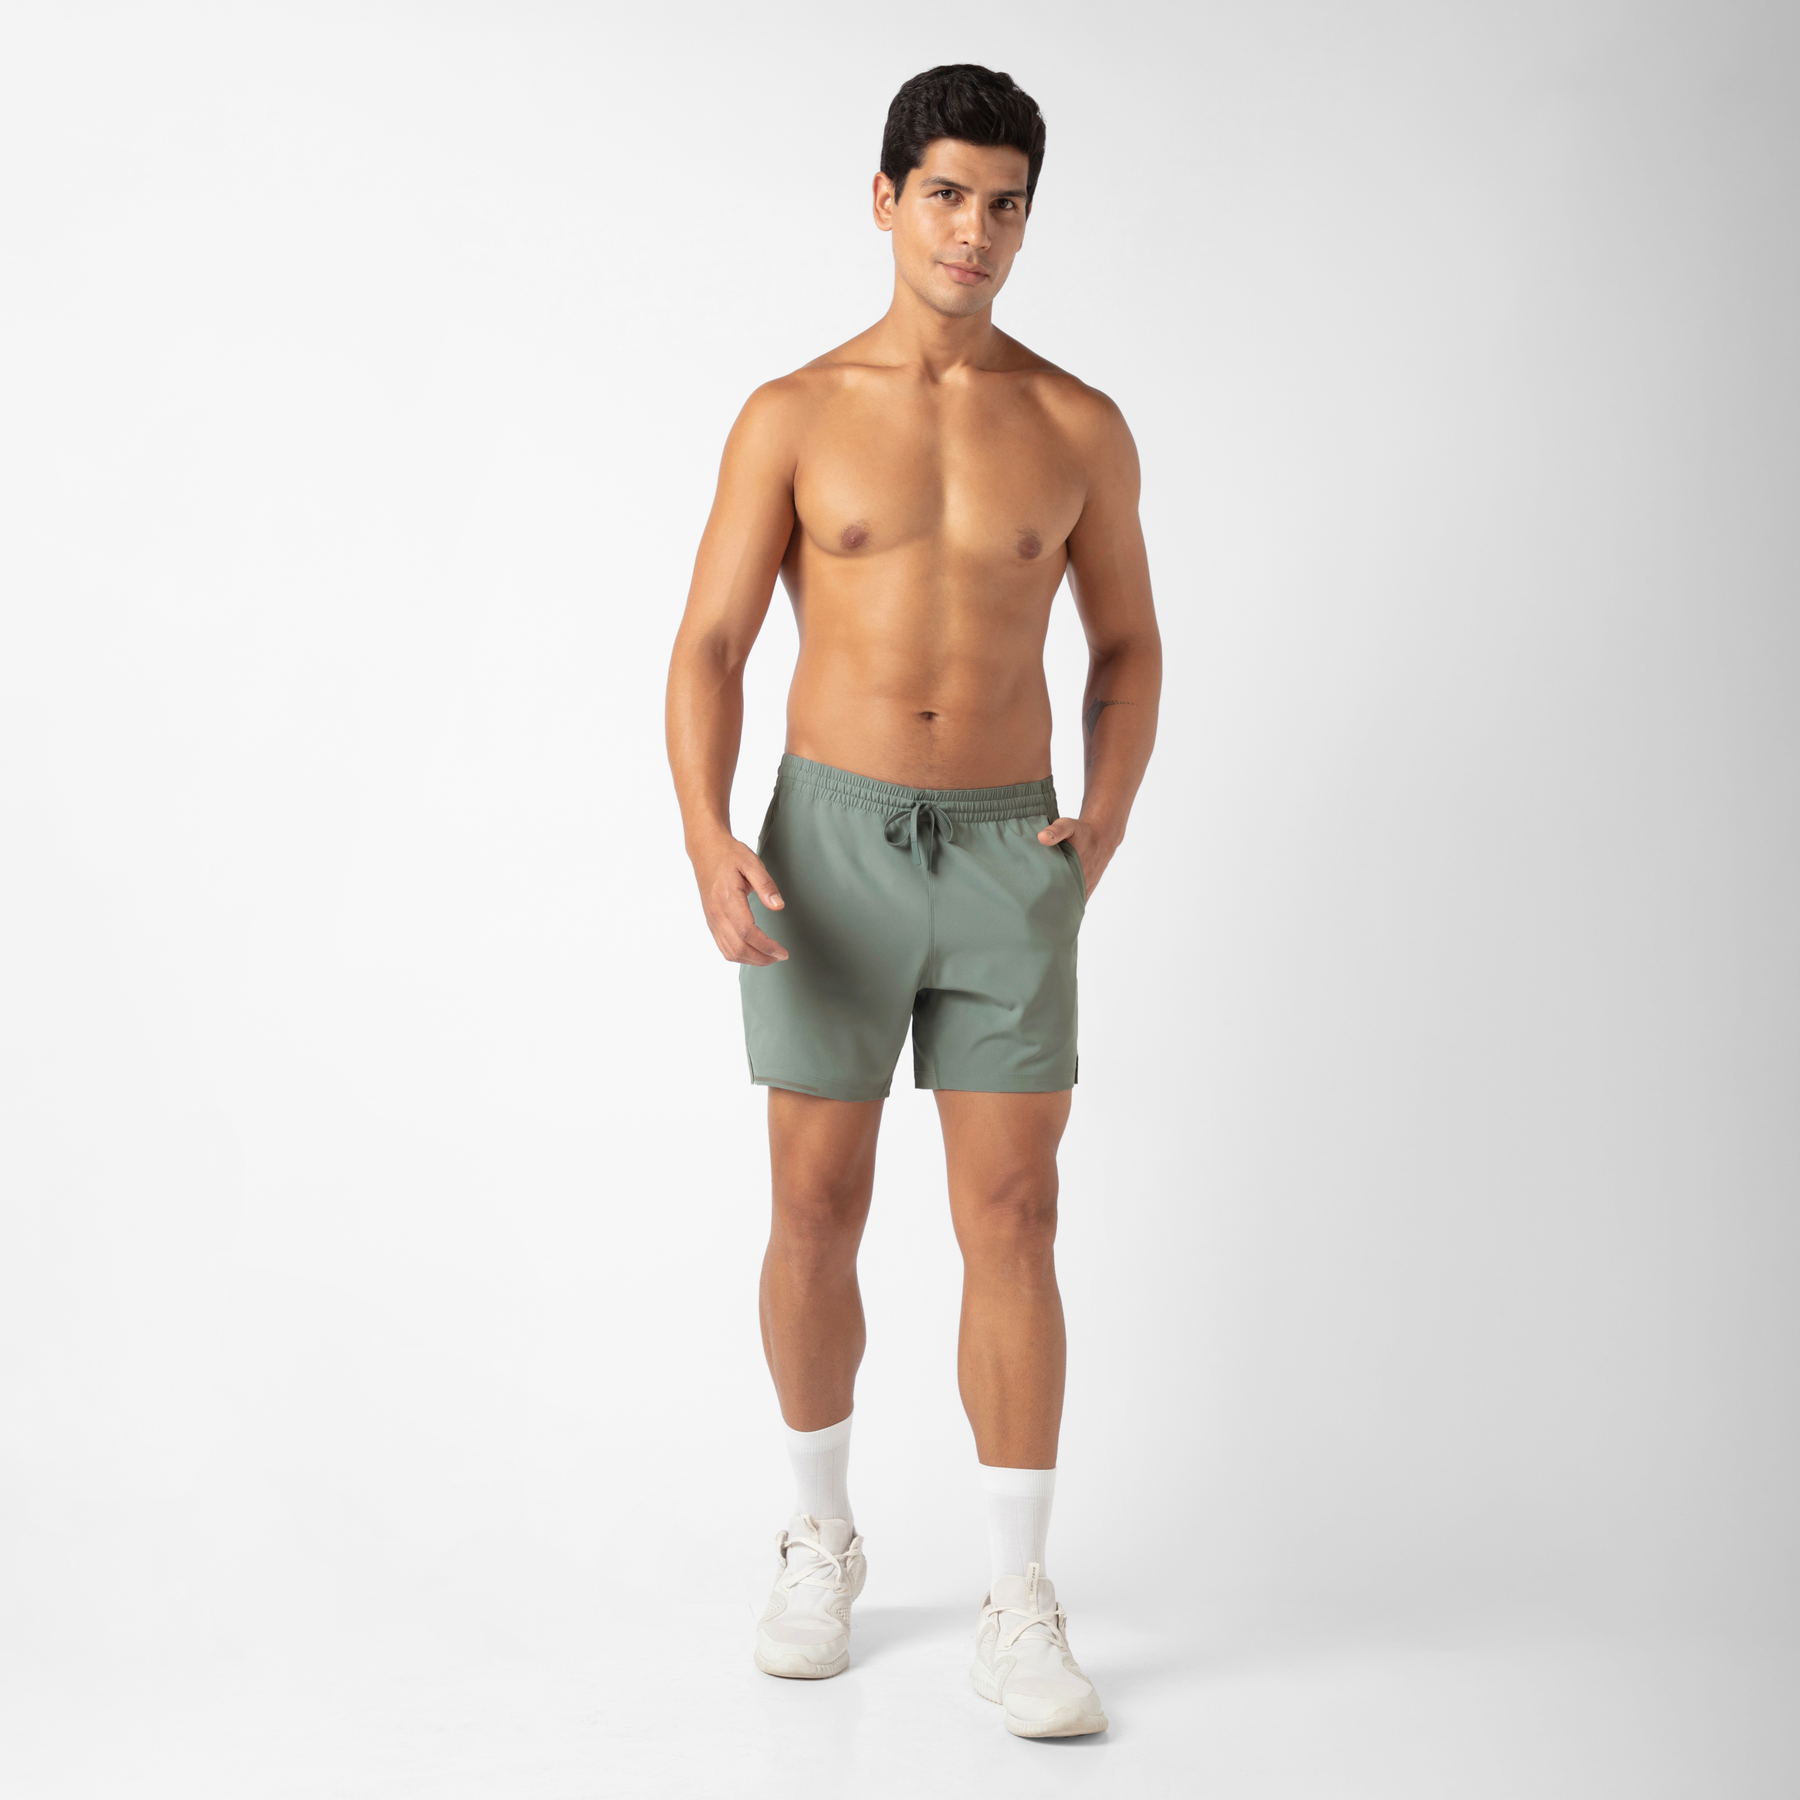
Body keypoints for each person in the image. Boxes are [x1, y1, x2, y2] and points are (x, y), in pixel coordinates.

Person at [664, 62, 1160, 1740]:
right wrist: (706, 831)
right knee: (815, 1207)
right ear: (886, 200)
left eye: (1005, 204)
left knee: (1016, 1214)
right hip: (828, 846)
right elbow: (712, 645)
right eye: (947, 194)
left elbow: (1128, 644)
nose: (976, 232)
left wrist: (1100, 828)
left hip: (1012, 848)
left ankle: (1020, 1595)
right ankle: (820, 1538)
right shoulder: (794, 413)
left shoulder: (1077, 424)